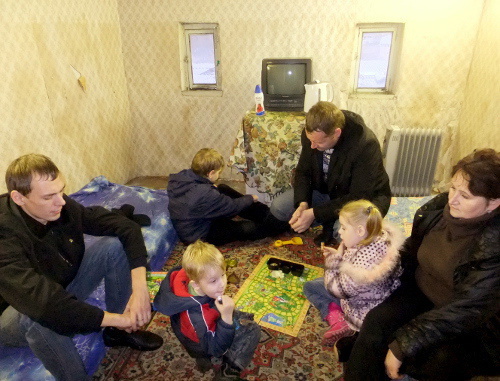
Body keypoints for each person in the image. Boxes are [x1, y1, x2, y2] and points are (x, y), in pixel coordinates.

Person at [338, 148, 500, 381]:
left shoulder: (494, 246)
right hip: (421, 290)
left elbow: (467, 308)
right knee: (376, 322)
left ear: (493, 203)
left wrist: (404, 343)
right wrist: (377, 266)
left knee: (433, 360)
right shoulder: (436, 210)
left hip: (470, 321)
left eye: (465, 196)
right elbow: (412, 250)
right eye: (453, 187)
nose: (452, 199)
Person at [0, 154, 163, 381]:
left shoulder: (61, 206)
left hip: (56, 287)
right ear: (18, 198)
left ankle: (116, 335)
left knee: (113, 246)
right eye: (49, 197)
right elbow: (43, 303)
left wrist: (140, 289)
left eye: (61, 191)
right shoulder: (4, 234)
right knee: (40, 318)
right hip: (12, 312)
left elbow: (125, 227)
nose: (62, 201)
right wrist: (121, 318)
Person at [270, 101, 391, 246]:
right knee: (278, 207)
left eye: (319, 143)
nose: (312, 146)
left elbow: (359, 196)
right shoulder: (312, 136)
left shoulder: (365, 145)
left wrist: (315, 213)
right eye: (310, 141)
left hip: (362, 199)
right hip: (327, 191)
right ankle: (327, 220)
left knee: (348, 236)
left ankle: (330, 224)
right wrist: (302, 203)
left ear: (336, 133)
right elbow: (303, 172)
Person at [153, 240, 261, 379]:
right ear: (196, 285)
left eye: (223, 275)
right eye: (213, 281)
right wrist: (227, 318)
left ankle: (201, 358)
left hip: (193, 334)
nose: (222, 284)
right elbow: (216, 349)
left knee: (239, 317)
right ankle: (228, 372)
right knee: (253, 331)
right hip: (204, 344)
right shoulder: (199, 316)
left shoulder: (188, 275)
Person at [303, 200, 404, 347]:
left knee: (310, 288)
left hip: (359, 312)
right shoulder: (373, 239)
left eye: (344, 228)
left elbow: (336, 289)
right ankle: (339, 315)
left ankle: (340, 321)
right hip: (365, 297)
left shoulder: (363, 269)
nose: (339, 231)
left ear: (360, 231)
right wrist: (341, 255)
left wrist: (333, 261)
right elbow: (354, 259)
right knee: (314, 285)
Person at [168, 148, 289, 245]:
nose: (219, 175)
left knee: (222, 188)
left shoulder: (181, 177)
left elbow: (202, 195)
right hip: (199, 235)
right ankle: (280, 226)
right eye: (218, 172)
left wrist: (209, 186)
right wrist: (251, 198)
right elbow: (232, 207)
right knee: (249, 228)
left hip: (195, 219)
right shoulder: (206, 194)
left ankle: (265, 214)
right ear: (210, 173)